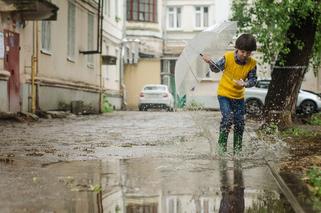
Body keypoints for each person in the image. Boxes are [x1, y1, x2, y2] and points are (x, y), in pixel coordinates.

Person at [202, 34, 257, 154]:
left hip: (239, 97)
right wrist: (210, 62)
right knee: (227, 119)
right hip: (224, 94)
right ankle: (222, 150)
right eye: (243, 51)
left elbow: (253, 80)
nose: (245, 55)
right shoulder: (228, 57)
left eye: (248, 53)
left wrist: (245, 83)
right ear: (237, 49)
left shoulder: (252, 63)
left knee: (240, 122)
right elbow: (216, 69)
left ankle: (237, 151)